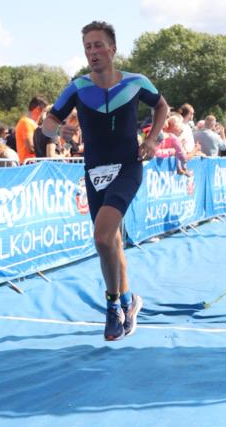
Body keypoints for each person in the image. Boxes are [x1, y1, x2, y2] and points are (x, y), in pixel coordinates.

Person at [41, 21, 169, 342]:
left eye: (98, 45)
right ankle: (129, 300)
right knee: (110, 242)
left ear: (112, 49)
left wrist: (153, 139)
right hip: (94, 171)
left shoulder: (137, 82)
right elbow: (48, 124)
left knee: (102, 236)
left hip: (128, 165)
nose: (93, 52)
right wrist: (60, 131)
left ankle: (112, 306)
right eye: (87, 47)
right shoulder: (77, 87)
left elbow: (161, 106)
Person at [14, 96, 47, 163]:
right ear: (37, 109)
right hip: (29, 165)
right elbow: (31, 148)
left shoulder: (31, 123)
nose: (44, 115)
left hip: (33, 163)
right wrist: (49, 150)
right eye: (44, 111)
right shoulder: (26, 122)